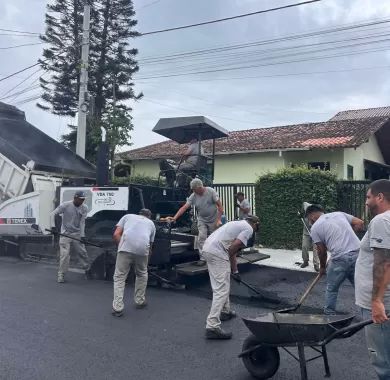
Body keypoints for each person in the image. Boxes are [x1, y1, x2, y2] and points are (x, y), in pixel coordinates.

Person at [355, 179, 390, 379]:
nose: (366, 202)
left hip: (379, 303)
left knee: (382, 361)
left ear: (380, 197)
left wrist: (376, 301)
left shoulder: (381, 221)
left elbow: (383, 262)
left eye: (368, 197)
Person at [203, 215, 260, 339]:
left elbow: (233, 249)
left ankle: (225, 311)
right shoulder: (248, 228)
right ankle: (212, 326)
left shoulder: (236, 224)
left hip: (208, 248)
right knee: (221, 290)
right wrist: (224, 258)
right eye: (257, 227)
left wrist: (235, 271)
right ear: (254, 224)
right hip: (217, 252)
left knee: (222, 283)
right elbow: (234, 247)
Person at [306, 204, 364, 314]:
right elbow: (360, 223)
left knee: (332, 289)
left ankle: (329, 315)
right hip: (358, 254)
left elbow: (321, 251)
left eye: (309, 219)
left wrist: (322, 268)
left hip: (340, 259)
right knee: (360, 287)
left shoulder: (315, 227)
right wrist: (347, 236)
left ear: (312, 216)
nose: (310, 222)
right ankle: (370, 313)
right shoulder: (339, 214)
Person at [167, 178, 224, 265]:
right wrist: (175, 217)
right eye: (192, 189)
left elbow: (220, 206)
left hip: (214, 218)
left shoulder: (211, 192)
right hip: (202, 219)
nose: (193, 191)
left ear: (200, 187)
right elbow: (184, 207)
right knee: (201, 237)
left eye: (194, 189)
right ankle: (203, 258)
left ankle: (217, 256)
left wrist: (219, 219)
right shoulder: (193, 196)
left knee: (214, 238)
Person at [111, 209, 156, 317]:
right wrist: (146, 263)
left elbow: (116, 234)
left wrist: (121, 247)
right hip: (142, 250)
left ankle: (118, 308)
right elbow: (150, 247)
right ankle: (140, 301)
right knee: (142, 274)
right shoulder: (151, 224)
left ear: (139, 214)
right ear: (149, 216)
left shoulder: (127, 216)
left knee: (120, 277)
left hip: (125, 247)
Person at [50, 190, 90, 283]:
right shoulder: (66, 205)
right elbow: (52, 214)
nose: (82, 201)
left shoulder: (84, 208)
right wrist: (53, 227)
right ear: (75, 198)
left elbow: (82, 222)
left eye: (83, 199)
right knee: (65, 255)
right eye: (80, 199)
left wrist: (82, 235)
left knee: (82, 252)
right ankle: (61, 274)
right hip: (65, 233)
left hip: (77, 233)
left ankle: (87, 270)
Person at [301, 202, 320, 271]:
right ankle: (305, 261)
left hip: (315, 233)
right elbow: (303, 204)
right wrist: (300, 214)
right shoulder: (306, 207)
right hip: (306, 233)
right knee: (304, 246)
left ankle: (316, 264)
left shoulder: (317, 214)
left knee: (316, 249)